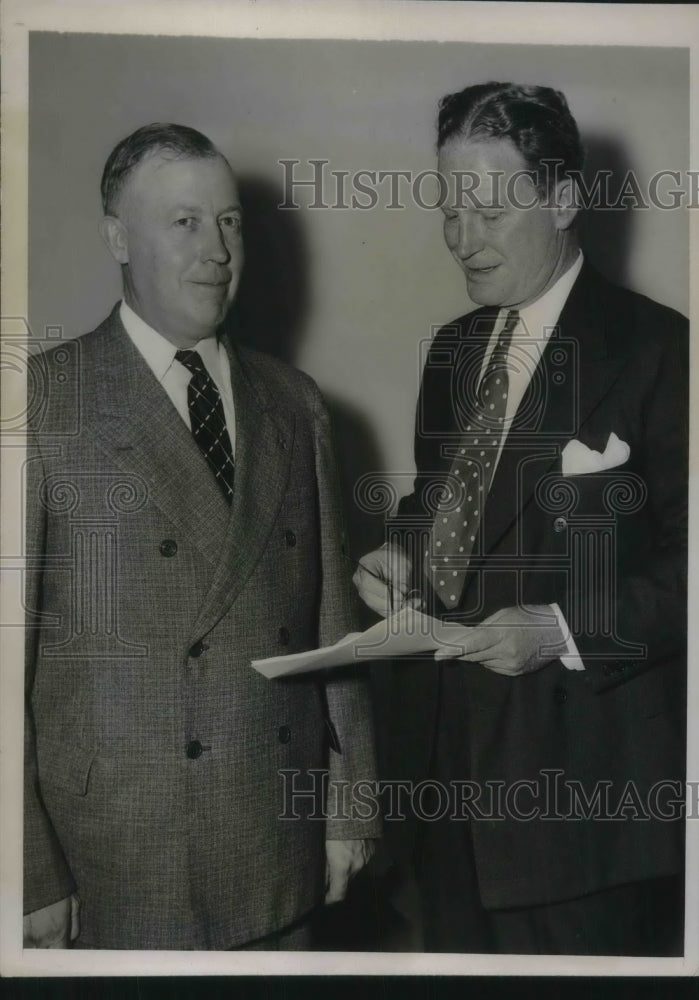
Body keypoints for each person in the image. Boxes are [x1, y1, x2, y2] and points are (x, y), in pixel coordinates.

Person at [23, 123, 379, 950]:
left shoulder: (295, 402)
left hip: (278, 849)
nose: (216, 248)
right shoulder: (43, 403)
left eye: (228, 221)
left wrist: (352, 804)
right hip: (113, 859)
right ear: (118, 235)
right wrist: (28, 871)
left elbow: (336, 632)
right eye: (184, 222)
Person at [354, 83, 687, 955]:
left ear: (565, 199)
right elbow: (443, 506)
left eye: (490, 211)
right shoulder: (453, 350)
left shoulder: (662, 350)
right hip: (443, 799)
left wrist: (560, 629)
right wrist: (397, 551)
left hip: (583, 824)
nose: (462, 240)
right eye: (450, 212)